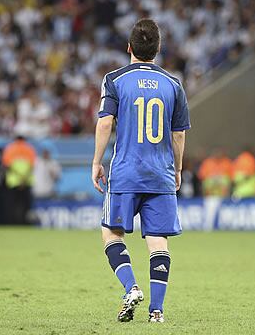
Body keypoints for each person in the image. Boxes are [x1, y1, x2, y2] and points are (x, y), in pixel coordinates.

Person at [92, 18, 190, 323]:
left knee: (111, 232)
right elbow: (178, 134)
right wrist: (177, 168)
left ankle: (131, 287)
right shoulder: (173, 84)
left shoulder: (115, 79)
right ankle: (157, 311)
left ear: (129, 47)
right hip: (161, 173)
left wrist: (96, 161)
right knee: (158, 240)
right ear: (158, 49)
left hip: (125, 172)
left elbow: (106, 122)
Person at [1, 136, 36, 224]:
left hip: (13, 181)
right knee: (26, 205)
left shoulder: (10, 148)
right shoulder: (29, 148)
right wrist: (23, 179)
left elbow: (6, 165)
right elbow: (32, 166)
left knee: (11, 205)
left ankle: (11, 223)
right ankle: (26, 223)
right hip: (26, 181)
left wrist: (18, 177)